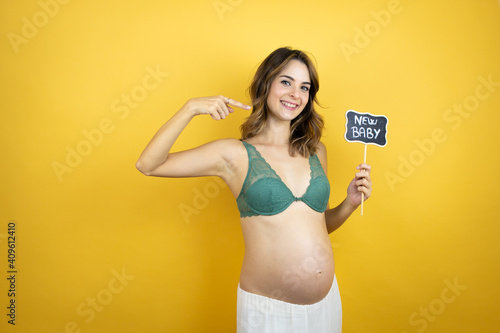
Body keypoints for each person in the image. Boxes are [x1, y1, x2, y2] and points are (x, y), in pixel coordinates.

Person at [136, 47, 372, 332]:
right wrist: (191, 108)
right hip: (268, 313)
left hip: (326, 306)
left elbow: (320, 225)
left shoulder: (315, 150)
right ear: (266, 84)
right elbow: (149, 164)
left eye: (304, 87)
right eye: (286, 82)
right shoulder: (233, 154)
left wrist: (349, 203)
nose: (295, 94)